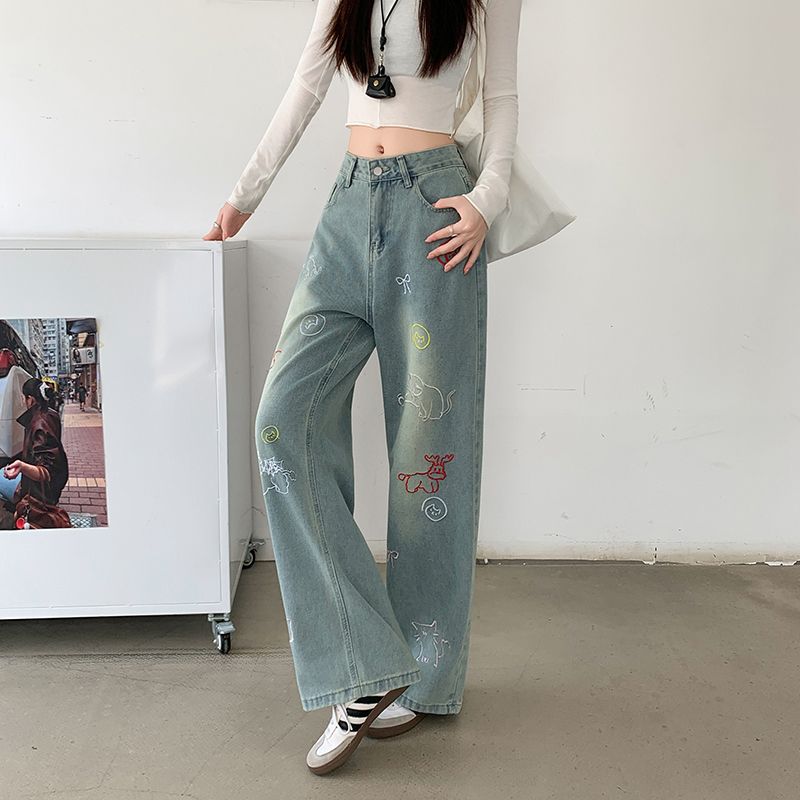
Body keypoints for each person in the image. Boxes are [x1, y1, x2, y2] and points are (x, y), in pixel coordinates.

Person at [204, 0, 521, 774]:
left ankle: (425, 675)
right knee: (282, 423)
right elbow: (307, 83)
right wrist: (243, 197)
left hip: (435, 214)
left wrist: (486, 202)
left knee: (428, 463)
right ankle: (366, 659)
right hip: (347, 206)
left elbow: (504, 95)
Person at [2, 378, 70, 528]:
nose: (23, 401)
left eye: (24, 398)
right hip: (54, 484)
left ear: (30, 399)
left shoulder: (39, 424)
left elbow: (46, 471)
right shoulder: (50, 414)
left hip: (40, 492)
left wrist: (21, 466)